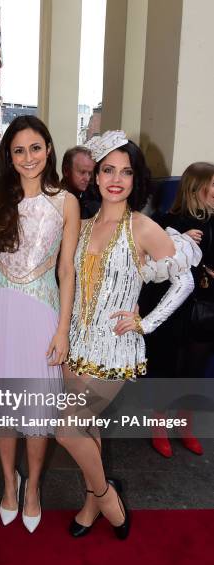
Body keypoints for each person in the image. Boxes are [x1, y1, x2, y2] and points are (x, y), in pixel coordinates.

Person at [60, 130, 200, 540]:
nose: (115, 179)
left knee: (67, 428)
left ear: (136, 179)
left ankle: (106, 497)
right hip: (77, 344)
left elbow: (184, 282)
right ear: (95, 176)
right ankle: (90, 505)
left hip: (116, 349)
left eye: (125, 171)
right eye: (107, 170)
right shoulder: (82, 227)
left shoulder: (142, 227)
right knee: (87, 429)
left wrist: (146, 321)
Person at [0, 115, 79, 532]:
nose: (28, 157)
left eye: (35, 147)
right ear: (9, 156)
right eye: (18, 150)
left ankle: (33, 485)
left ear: (49, 149)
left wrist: (63, 329)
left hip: (42, 309)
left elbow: (68, 270)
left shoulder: (66, 201)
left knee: (36, 408)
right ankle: (8, 482)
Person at [143, 162, 214, 457]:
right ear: (197, 188)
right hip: (172, 309)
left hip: (206, 310)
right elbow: (155, 267)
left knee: (193, 372)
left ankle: (186, 426)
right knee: (165, 368)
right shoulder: (165, 220)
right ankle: (158, 426)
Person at [61, 145, 99, 219]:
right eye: (82, 172)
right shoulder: (54, 201)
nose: (87, 178)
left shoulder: (93, 196)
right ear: (66, 171)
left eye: (90, 173)